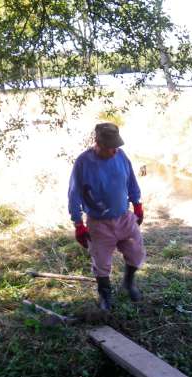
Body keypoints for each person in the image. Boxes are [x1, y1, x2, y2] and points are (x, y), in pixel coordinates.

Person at [68, 122, 145, 310]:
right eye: (110, 147)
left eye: (116, 146)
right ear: (98, 143)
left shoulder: (121, 156)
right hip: (98, 223)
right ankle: (105, 296)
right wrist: (78, 224)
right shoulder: (83, 162)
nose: (114, 151)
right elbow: (74, 194)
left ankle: (128, 283)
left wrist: (137, 204)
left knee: (136, 253)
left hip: (124, 218)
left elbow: (132, 182)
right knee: (101, 262)